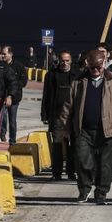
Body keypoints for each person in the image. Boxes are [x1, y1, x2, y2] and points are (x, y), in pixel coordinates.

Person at [57, 48, 112, 204]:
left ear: (104, 64)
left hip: (108, 130)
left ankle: (101, 193)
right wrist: (64, 128)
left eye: (99, 67)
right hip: (84, 130)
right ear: (87, 65)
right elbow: (68, 106)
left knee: (105, 165)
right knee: (83, 161)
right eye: (92, 67)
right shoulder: (79, 82)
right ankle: (84, 190)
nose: (95, 70)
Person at [41, 50, 78, 180]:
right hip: (57, 115)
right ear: (59, 61)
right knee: (57, 144)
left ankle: (71, 171)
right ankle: (56, 173)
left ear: (71, 61)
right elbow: (46, 95)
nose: (64, 63)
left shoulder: (77, 76)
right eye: (62, 60)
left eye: (67, 61)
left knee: (72, 145)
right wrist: (44, 114)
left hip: (73, 117)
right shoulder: (51, 75)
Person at [0, 45, 28, 145]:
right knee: (1, 118)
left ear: (10, 54)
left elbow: (23, 81)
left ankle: (12, 140)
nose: (2, 55)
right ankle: (2, 134)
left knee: (12, 120)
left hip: (14, 98)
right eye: (1, 53)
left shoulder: (19, 66)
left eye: (4, 54)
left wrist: (13, 89)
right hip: (1, 97)